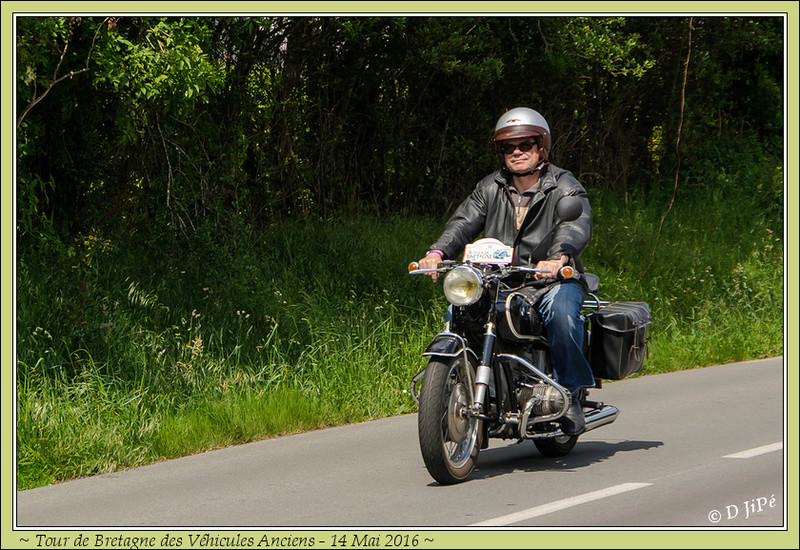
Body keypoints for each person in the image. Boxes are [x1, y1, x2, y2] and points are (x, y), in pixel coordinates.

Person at [416, 107, 595, 436]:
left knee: (562, 315)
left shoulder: (563, 185)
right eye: (508, 147)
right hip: (500, 280)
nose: (516, 152)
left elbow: (575, 225)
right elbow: (463, 221)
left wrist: (559, 258)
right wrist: (437, 252)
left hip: (550, 281)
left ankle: (570, 395)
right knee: (459, 311)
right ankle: (468, 387)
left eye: (525, 144)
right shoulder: (490, 187)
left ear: (541, 147)